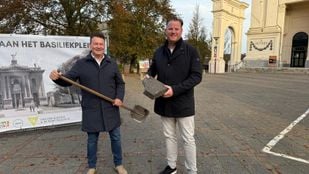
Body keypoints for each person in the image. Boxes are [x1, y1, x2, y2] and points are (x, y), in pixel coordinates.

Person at [49, 32, 127, 174]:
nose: (98, 46)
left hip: (110, 107)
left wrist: (119, 98)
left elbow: (120, 84)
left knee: (116, 138)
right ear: (90, 45)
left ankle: (119, 164)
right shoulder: (81, 64)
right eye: (95, 44)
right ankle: (92, 167)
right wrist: (57, 78)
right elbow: (67, 80)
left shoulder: (112, 63)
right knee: (92, 140)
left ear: (104, 46)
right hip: (92, 108)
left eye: (101, 44)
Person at [147, 17, 202, 174]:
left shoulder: (191, 51)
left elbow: (197, 76)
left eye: (176, 29)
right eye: (170, 28)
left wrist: (175, 90)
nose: (173, 31)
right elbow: (153, 70)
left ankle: (192, 170)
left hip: (183, 103)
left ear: (181, 31)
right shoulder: (159, 52)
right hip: (164, 103)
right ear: (166, 30)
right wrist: (148, 77)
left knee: (188, 139)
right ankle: (171, 167)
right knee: (169, 136)